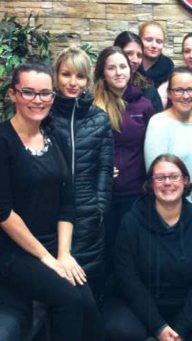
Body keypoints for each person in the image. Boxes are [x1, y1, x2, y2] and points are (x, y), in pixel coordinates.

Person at [0, 61, 104, 341]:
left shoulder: (54, 136)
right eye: (29, 92)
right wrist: (49, 260)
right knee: (68, 299)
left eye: (45, 93)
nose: (38, 100)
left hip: (51, 246)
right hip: (12, 251)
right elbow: (4, 213)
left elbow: (66, 202)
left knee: (89, 306)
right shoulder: (3, 141)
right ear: (13, 94)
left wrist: (64, 254)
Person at [104, 154, 192, 341]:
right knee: (121, 330)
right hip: (140, 302)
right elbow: (128, 278)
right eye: (160, 178)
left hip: (185, 303)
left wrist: (182, 330)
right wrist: (159, 326)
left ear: (185, 181)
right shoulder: (131, 222)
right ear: (151, 184)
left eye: (174, 177)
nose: (167, 183)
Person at [51, 45, 114, 300]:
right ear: (56, 75)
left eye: (80, 76)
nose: (72, 82)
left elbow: (105, 167)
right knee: (55, 282)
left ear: (88, 80)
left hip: (89, 216)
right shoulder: (45, 115)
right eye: (66, 74)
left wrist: (99, 207)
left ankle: (88, 337)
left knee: (87, 282)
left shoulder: (99, 119)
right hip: (51, 213)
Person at [93, 46, 155, 276]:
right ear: (103, 73)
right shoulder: (93, 105)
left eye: (122, 66)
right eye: (111, 67)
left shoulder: (144, 105)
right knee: (105, 251)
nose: (118, 72)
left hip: (134, 192)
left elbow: (151, 148)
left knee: (130, 252)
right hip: (102, 194)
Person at [144, 67, 192, 210]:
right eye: (179, 90)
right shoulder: (158, 123)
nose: (185, 96)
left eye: (191, 90)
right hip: (167, 207)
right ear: (169, 93)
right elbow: (155, 174)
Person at [113, 31, 163, 113]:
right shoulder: (101, 88)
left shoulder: (148, 90)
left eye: (139, 55)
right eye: (129, 53)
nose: (135, 60)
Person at [137, 20, 174, 108]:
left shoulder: (168, 67)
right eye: (149, 40)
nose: (154, 45)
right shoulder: (132, 63)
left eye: (159, 41)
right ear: (139, 40)